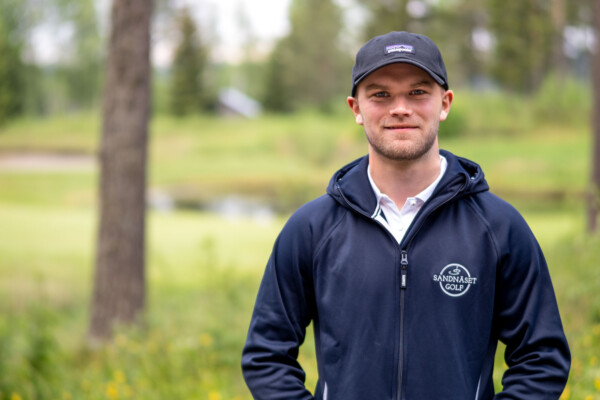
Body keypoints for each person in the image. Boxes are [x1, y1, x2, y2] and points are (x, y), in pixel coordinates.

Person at [241, 31, 570, 400]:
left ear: (444, 103)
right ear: (356, 109)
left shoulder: (499, 228)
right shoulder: (311, 229)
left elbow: (542, 358)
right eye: (380, 94)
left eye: (417, 92)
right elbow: (266, 356)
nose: (400, 107)